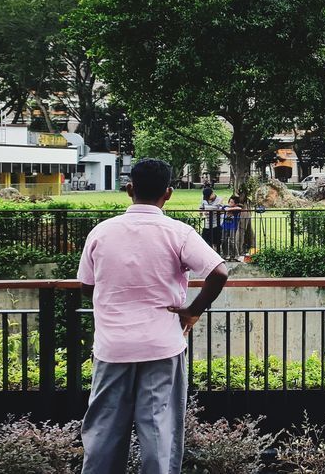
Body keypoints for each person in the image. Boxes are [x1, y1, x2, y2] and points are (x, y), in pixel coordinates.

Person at [77, 158, 228, 474]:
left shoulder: (101, 232)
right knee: (159, 431)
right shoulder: (179, 233)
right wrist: (192, 312)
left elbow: (86, 287)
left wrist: (110, 306)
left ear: (129, 189)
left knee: (103, 432)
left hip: (113, 347)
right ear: (169, 193)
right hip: (162, 346)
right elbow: (219, 272)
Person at [199, 187, 223, 251]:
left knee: (216, 242)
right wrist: (203, 212)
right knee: (205, 241)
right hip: (207, 224)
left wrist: (210, 209)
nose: (207, 199)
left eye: (208, 197)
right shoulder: (203, 199)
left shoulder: (219, 199)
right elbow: (201, 209)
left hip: (216, 224)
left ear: (212, 194)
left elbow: (220, 209)